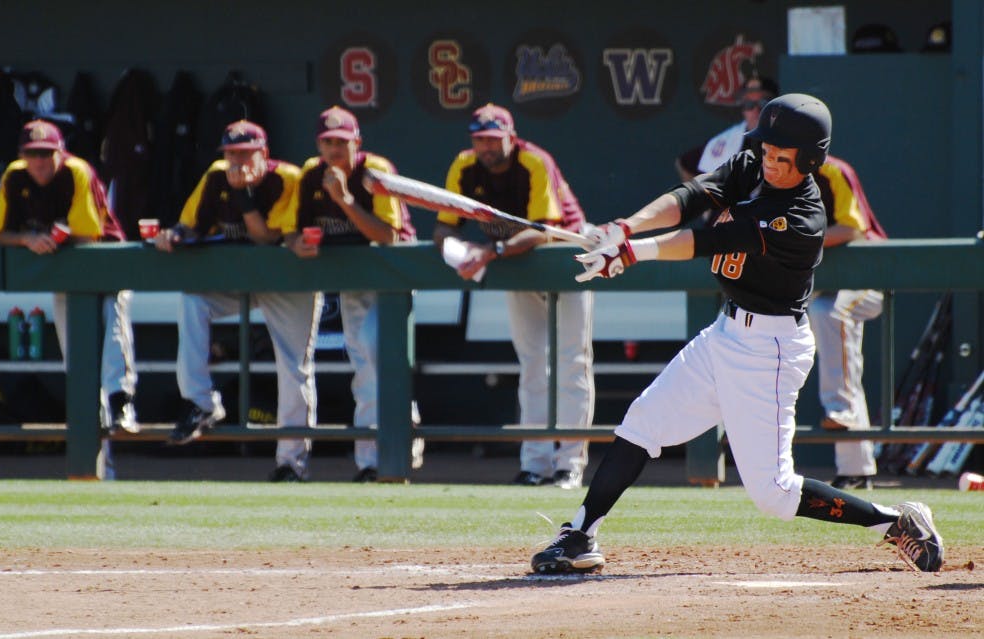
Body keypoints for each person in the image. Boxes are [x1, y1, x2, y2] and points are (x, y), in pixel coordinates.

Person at [530, 94, 943, 574]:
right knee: (641, 424)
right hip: (727, 332)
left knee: (775, 493)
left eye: (781, 156)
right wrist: (624, 228)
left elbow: (708, 241)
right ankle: (580, 533)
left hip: (769, 351)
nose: (768, 160)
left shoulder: (800, 218)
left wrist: (630, 253)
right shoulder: (753, 164)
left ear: (809, 160)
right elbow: (689, 199)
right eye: (766, 149)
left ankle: (896, 522)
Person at [433, 103, 594, 489]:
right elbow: (443, 227)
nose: (486, 146)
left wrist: (490, 253)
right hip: (516, 262)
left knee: (572, 361)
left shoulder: (533, 161)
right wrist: (458, 251)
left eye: (493, 138)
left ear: (510, 136)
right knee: (533, 363)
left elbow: (543, 230)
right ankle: (535, 463)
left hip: (565, 253)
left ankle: (569, 464)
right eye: (479, 138)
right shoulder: (464, 165)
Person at [154, 120, 322, 482]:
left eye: (245, 153)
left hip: (287, 283)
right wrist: (173, 235)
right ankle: (200, 402)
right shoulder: (216, 176)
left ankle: (291, 463)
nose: (237, 161)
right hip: (236, 281)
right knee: (193, 298)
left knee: (294, 368)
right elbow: (190, 225)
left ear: (264, 153)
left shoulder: (287, 178)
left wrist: (244, 196)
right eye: (231, 153)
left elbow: (264, 238)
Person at [286, 105, 421, 483]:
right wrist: (297, 243)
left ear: (356, 143)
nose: (334, 149)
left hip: (391, 278)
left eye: (341, 142)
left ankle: (396, 442)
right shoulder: (311, 175)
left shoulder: (374, 171)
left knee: (379, 358)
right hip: (353, 279)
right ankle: (369, 462)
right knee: (364, 364)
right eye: (327, 142)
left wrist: (345, 199)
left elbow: (389, 236)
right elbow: (293, 231)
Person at [0, 120, 138, 438]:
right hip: (65, 271)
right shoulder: (15, 176)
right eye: (33, 154)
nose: (40, 161)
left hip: (105, 261)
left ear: (59, 153)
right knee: (77, 356)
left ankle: (120, 403)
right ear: (22, 155)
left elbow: (86, 236)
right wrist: (28, 238)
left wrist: (46, 239)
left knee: (112, 332)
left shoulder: (75, 171)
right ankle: (92, 427)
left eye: (46, 153)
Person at [811, 155, 888, 489]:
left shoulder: (831, 170)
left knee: (828, 313)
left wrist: (797, 237)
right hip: (824, 282)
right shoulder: (767, 172)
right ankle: (856, 468)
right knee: (844, 362)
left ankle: (840, 409)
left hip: (866, 276)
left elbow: (852, 228)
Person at [675, 75, 779, 182]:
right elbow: (684, 163)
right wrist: (699, 196)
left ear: (776, 106)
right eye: (749, 104)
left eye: (763, 103)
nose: (756, 110)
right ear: (743, 109)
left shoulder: (787, 137)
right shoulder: (728, 140)